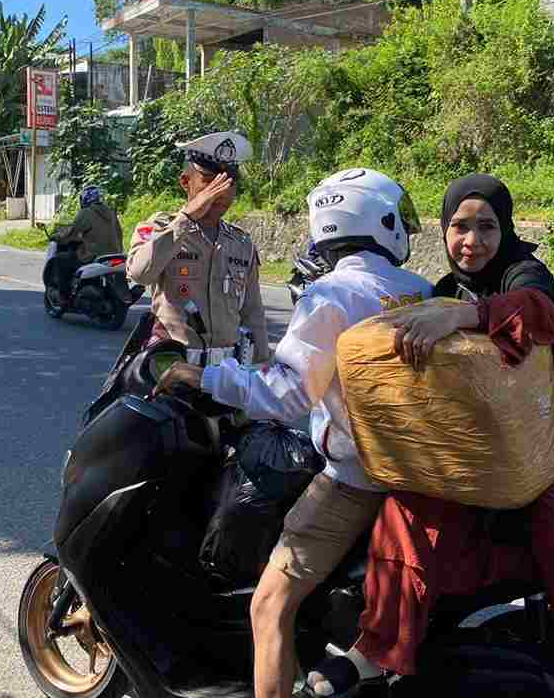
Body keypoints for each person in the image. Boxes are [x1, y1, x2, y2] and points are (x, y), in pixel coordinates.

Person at [305, 173, 554, 698]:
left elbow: (537, 311)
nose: (472, 241)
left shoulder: (521, 272)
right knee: (406, 509)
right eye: (460, 227)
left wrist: (469, 316)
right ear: (443, 230)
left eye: (486, 227)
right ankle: (376, 649)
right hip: (490, 441)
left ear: (505, 229)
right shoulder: (443, 292)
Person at [153, 168, 432, 698]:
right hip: (419, 473)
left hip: (356, 481)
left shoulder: (332, 294)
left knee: (268, 603)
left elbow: (287, 395)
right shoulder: (417, 290)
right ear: (379, 221)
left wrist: (205, 377)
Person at [127, 131, 270, 364]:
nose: (221, 191)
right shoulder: (160, 228)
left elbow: (252, 313)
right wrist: (186, 218)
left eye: (228, 182)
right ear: (186, 182)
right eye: (209, 180)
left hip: (226, 371)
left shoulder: (241, 243)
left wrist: (262, 366)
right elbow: (139, 273)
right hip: (172, 367)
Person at [51, 184, 123, 298]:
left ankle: (64, 296)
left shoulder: (86, 212)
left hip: (94, 255)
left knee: (61, 260)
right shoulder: (111, 212)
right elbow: (119, 233)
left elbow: (72, 233)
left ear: (85, 199)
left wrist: (58, 238)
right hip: (115, 254)